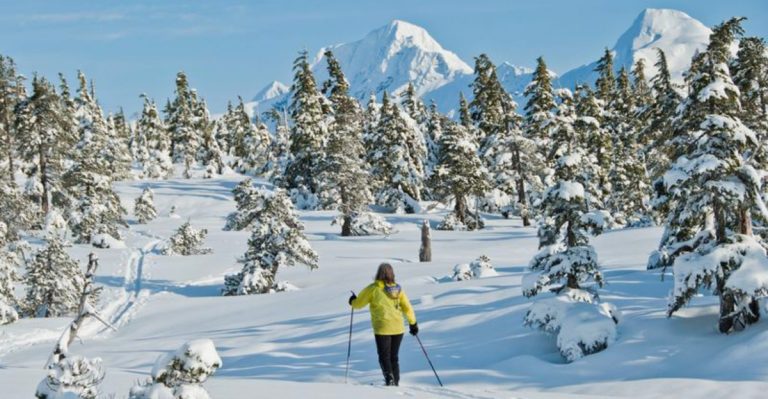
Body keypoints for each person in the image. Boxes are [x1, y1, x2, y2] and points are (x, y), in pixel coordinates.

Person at [349, 263, 418, 386]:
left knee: (384, 357)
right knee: (393, 357)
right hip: (398, 328)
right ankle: (395, 382)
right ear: (392, 274)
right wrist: (413, 324)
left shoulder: (374, 288)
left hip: (383, 328)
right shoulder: (398, 289)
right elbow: (408, 308)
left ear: (378, 273)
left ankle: (389, 380)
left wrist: (352, 301)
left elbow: (358, 304)